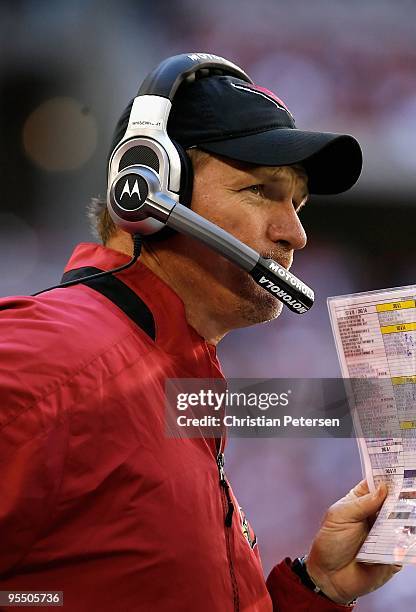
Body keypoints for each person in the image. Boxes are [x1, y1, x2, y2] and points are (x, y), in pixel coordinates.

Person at [0, 58, 401, 611]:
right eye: (261, 191)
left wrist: (317, 589)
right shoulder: (54, 355)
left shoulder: (171, 379)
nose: (296, 234)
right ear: (145, 190)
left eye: (299, 204)